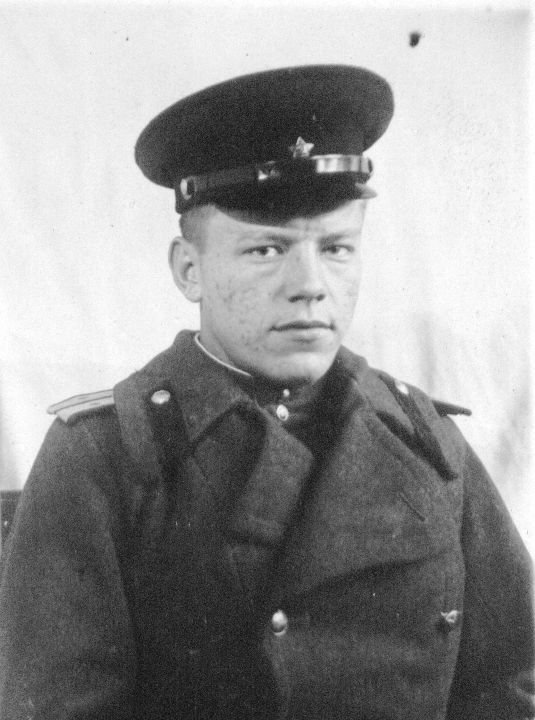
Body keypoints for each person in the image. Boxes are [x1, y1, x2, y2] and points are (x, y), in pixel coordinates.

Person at [0, 65, 532, 720]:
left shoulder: (426, 440)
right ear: (188, 270)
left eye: (336, 248)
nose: (309, 286)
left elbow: (511, 686)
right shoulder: (106, 457)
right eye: (266, 251)